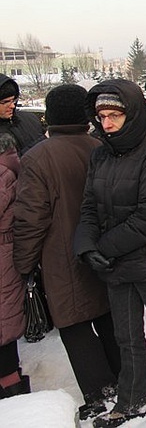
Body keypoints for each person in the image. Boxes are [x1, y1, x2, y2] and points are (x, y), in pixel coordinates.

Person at [74, 79, 146, 427]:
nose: (106, 123)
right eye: (101, 116)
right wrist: (85, 245)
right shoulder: (100, 154)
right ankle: (131, 400)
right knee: (126, 338)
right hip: (117, 264)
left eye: (114, 115)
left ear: (131, 113)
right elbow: (89, 207)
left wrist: (103, 247)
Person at [13, 85, 119, 420]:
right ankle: (123, 382)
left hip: (62, 256)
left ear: (51, 116)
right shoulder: (101, 146)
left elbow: (31, 217)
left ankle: (100, 394)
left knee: (74, 325)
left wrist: (24, 262)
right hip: (103, 249)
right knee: (107, 316)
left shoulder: (37, 157)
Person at [0, 134, 28, 399]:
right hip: (7, 254)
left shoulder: (3, 172)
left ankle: (12, 392)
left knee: (3, 327)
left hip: (3, 257)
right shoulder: (11, 165)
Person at [0, 74, 45, 156]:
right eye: (5, 102)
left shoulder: (30, 119)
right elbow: (11, 162)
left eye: (13, 100)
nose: (12, 106)